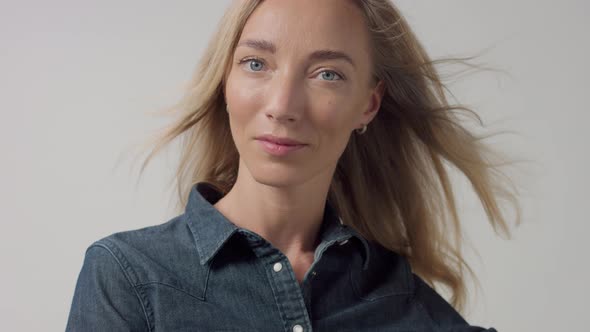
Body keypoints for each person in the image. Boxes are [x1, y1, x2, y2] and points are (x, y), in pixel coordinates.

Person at [66, 0, 520, 331]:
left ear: (368, 104)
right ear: (225, 81)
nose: (282, 106)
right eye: (256, 63)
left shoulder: (404, 301)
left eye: (328, 74)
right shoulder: (128, 277)